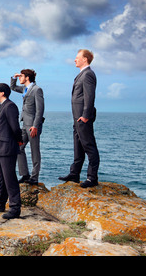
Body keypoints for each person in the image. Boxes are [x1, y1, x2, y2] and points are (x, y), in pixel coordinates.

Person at [59, 49, 100, 188]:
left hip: (83, 118)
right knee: (78, 146)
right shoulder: (82, 74)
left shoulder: (88, 74)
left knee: (89, 146)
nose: (75, 60)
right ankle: (74, 174)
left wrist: (85, 116)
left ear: (85, 59)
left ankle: (92, 178)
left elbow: (90, 96)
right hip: (77, 118)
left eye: (77, 57)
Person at [0, 83, 24, 219]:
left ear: (2, 93)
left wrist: (19, 141)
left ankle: (15, 208)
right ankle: (0, 203)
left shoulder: (10, 106)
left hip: (7, 147)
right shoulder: (1, 106)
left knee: (10, 179)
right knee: (2, 179)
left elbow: (15, 127)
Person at [10, 69, 45, 185]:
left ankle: (34, 178)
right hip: (24, 124)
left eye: (21, 76)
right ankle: (25, 174)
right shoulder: (25, 89)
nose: (20, 78)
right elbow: (13, 88)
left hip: (33, 126)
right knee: (19, 147)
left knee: (35, 152)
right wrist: (14, 78)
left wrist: (35, 125)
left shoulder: (37, 90)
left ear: (27, 77)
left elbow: (40, 110)